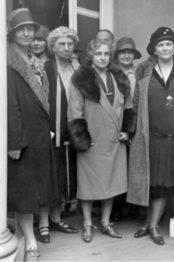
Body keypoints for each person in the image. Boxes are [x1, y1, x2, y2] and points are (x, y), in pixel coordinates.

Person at [127, 26, 174, 245]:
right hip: (150, 140)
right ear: (154, 50)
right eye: (160, 45)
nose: (165, 48)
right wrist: (130, 132)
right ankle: (150, 223)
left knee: (163, 186)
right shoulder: (144, 77)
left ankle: (152, 225)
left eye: (169, 44)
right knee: (151, 184)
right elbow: (135, 107)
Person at [68, 39, 135, 243]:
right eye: (99, 54)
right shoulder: (80, 78)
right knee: (88, 186)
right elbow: (74, 112)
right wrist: (82, 139)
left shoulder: (119, 77)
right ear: (91, 55)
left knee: (111, 184)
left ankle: (105, 222)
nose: (103, 58)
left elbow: (129, 107)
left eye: (106, 54)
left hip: (114, 140)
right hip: (93, 141)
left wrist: (126, 131)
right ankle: (88, 224)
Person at [7, 8, 58, 261]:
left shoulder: (32, 59)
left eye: (30, 29)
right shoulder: (7, 61)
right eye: (21, 29)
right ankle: (29, 239)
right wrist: (15, 141)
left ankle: (22, 233)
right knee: (24, 191)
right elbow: (9, 105)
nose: (27, 33)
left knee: (33, 187)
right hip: (22, 136)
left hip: (38, 134)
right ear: (12, 33)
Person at [37, 26, 80, 244]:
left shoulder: (77, 68)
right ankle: (44, 224)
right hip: (51, 131)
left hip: (71, 132)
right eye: (61, 44)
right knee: (49, 177)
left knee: (63, 178)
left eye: (69, 44)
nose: (65, 48)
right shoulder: (44, 68)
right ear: (52, 47)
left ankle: (56, 219)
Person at [110, 36, 142, 220]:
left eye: (130, 52)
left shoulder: (139, 74)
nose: (126, 56)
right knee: (117, 166)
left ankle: (133, 206)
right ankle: (115, 208)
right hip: (117, 121)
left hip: (136, 121)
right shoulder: (111, 73)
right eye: (123, 52)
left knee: (133, 165)